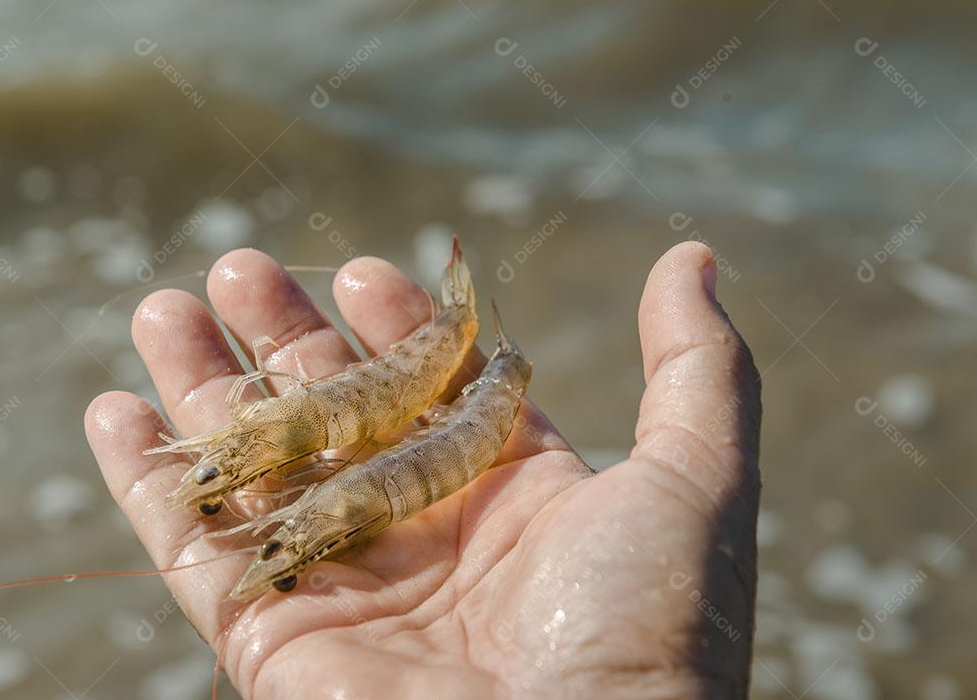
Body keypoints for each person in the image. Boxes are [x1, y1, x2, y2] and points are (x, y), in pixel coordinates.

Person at [85, 241, 762, 699]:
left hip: (453, 430)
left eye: (286, 565)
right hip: (409, 432)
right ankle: (472, 341)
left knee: (366, 437)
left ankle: (476, 343)